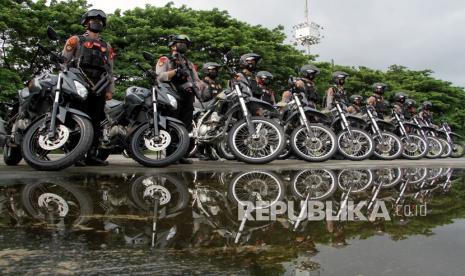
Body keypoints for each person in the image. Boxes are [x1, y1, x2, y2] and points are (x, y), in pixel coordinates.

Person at [62, 9, 115, 166]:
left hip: (99, 86)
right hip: (78, 84)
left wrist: (110, 90)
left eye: (99, 21)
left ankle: (91, 155)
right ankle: (74, 154)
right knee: (75, 119)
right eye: (93, 20)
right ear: (86, 22)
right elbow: (63, 61)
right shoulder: (75, 40)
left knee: (96, 121)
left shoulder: (107, 46)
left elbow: (110, 70)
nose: (96, 23)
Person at [156, 34, 206, 164]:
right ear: (173, 45)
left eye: (185, 43)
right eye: (180, 42)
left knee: (186, 126)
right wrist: (175, 72)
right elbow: (159, 77)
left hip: (187, 96)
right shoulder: (165, 59)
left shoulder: (189, 63)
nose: (183, 45)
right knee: (172, 125)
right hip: (171, 95)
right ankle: (171, 155)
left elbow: (197, 80)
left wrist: (199, 85)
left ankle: (182, 154)